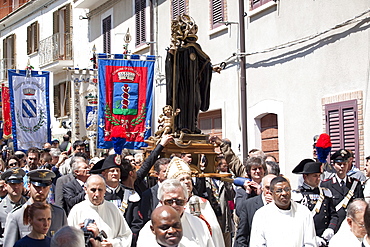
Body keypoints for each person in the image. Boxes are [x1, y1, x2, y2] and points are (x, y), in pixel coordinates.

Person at [165, 14, 214, 134]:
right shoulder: (177, 48)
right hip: (182, 84)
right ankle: (180, 126)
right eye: (188, 29)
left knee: (195, 103)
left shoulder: (196, 48)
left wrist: (210, 68)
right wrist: (171, 55)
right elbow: (170, 67)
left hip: (194, 84)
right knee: (182, 104)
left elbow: (205, 62)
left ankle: (193, 126)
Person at [165, 157, 224, 247]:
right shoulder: (166, 206)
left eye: (188, 178)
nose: (187, 182)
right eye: (182, 179)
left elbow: (216, 231)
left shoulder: (203, 203)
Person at [137, 179, 214, 247]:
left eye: (179, 201)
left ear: (185, 201)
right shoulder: (148, 230)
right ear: (161, 202)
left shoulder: (198, 224)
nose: (174, 205)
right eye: (169, 202)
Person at [3, 169, 67, 247]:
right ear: (29, 186)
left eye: (45, 187)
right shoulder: (16, 215)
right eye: (37, 187)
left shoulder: (59, 214)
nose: (41, 191)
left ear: (50, 187)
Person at [249, 176, 317, 246]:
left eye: (287, 189)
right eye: (279, 191)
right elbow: (257, 243)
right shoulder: (261, 215)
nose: (284, 193)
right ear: (271, 194)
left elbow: (310, 243)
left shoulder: (303, 212)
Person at [68, 175, 132, 247]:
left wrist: (112, 244)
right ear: (85, 189)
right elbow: (67, 240)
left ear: (105, 190)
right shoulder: (77, 210)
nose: (97, 194)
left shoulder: (113, 209)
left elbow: (126, 236)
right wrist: (77, 233)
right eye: (93, 190)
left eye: (100, 190)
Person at [292, 160, 338, 246]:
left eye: (319, 175)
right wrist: (311, 237)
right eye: (315, 176)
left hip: (324, 239)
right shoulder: (296, 195)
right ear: (305, 177)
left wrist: (330, 229)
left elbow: (334, 215)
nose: (318, 179)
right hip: (304, 240)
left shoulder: (326, 193)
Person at [321, 149, 364, 230]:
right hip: (335, 227)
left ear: (348, 164)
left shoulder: (355, 184)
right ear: (334, 165)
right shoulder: (326, 185)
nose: (342, 167)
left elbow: (360, 207)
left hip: (352, 227)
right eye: (339, 164)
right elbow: (325, 210)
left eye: (344, 164)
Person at [234, 174, 276, 247]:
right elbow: (242, 235)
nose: (270, 191)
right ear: (262, 188)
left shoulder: (283, 205)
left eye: (273, 188)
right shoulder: (249, 205)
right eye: (267, 188)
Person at [0, 167, 28, 245]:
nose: (16, 187)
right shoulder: (0, 208)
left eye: (19, 183)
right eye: (13, 184)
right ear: (5, 185)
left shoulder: (30, 205)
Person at [140, 158, 171, 224]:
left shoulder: (178, 191)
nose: (169, 173)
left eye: (170, 170)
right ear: (157, 174)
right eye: (165, 171)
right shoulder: (148, 194)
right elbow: (146, 218)